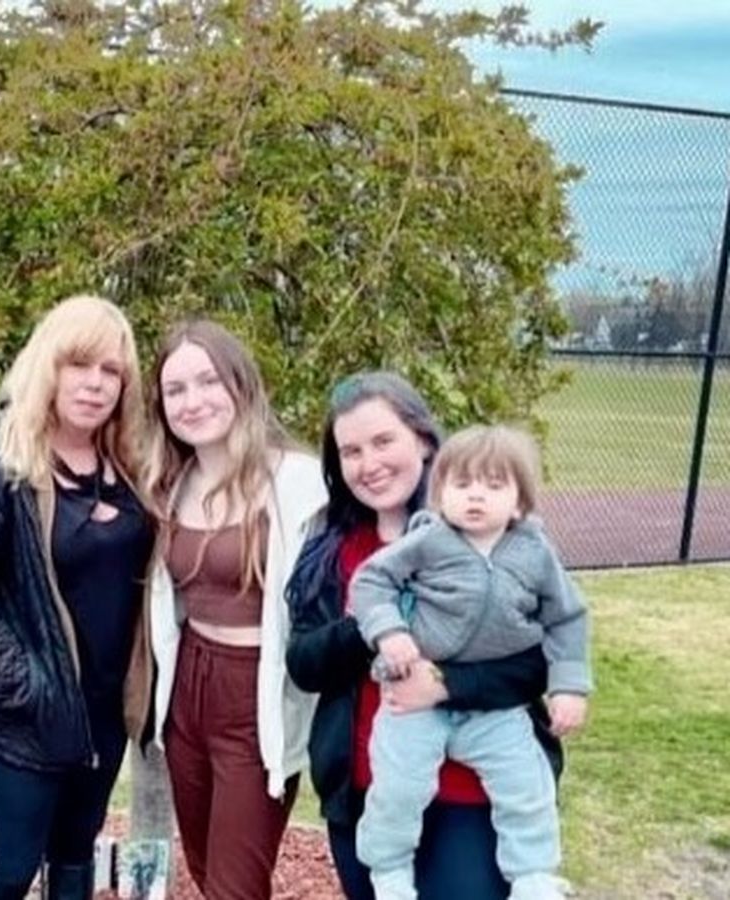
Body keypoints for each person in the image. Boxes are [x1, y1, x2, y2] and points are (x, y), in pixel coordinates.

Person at [285, 372, 564, 900]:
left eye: (383, 441)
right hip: (366, 790)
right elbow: (304, 663)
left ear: (424, 440)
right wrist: (375, 621)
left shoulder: (490, 537)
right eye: (351, 452)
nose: (369, 463)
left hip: (470, 792)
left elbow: (538, 664)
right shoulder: (330, 547)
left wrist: (443, 685)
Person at [0, 295, 154, 900]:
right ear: (47, 366)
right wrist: (27, 684)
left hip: (104, 714)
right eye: (79, 364)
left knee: (75, 862)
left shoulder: (129, 466)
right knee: (12, 872)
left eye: (111, 371)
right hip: (26, 717)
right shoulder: (0, 464)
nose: (95, 383)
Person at [351, 424, 591, 900]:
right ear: (440, 493)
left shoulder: (535, 553)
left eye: (494, 485)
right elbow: (370, 582)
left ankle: (534, 875)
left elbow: (567, 618)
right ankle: (389, 870)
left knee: (526, 786)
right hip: (413, 699)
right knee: (398, 788)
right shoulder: (428, 540)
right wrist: (389, 631)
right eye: (462, 484)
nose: (476, 495)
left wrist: (569, 686)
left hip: (493, 709)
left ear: (519, 502)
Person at [140, 320, 325, 900]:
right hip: (187, 689)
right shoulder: (168, 482)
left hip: (255, 694)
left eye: (208, 381)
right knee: (202, 864)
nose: (192, 401)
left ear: (240, 383)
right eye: (175, 390)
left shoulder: (296, 481)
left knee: (235, 886)